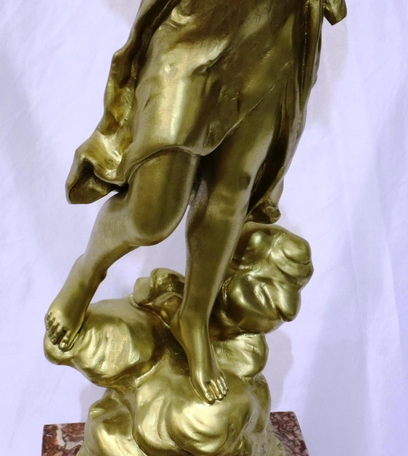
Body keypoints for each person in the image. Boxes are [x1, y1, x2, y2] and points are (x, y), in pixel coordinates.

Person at [45, 0, 347, 404]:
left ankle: (194, 318)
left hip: (277, 23)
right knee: (152, 215)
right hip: (198, 21)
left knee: (231, 189)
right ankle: (87, 271)